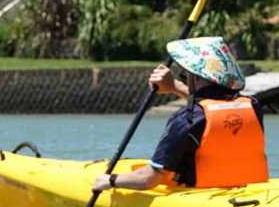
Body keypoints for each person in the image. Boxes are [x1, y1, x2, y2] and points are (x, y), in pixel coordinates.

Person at [92, 37, 268, 192]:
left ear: (195, 78)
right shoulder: (252, 106)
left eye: (185, 76)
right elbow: (213, 105)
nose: (185, 80)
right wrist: (175, 86)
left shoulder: (185, 120)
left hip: (200, 195)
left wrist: (111, 180)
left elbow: (149, 179)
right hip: (249, 190)